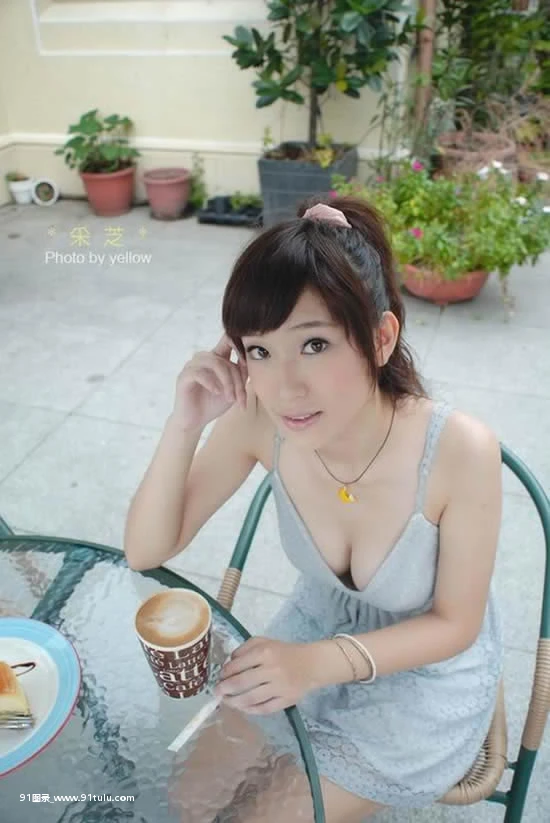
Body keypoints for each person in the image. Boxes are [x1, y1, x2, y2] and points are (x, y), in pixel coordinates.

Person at [124, 196, 503, 822]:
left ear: (380, 338)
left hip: (423, 673)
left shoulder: (458, 451)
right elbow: (145, 549)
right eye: (260, 351)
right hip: (313, 630)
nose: (285, 388)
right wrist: (183, 423)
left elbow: (455, 625)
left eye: (316, 344)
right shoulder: (258, 419)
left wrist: (314, 665)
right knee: (189, 803)